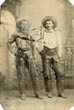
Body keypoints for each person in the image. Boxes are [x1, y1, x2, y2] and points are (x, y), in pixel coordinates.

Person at [7, 19, 42, 100]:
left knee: (34, 74)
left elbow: (33, 46)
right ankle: (22, 93)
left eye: (26, 24)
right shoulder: (16, 34)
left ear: (28, 26)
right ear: (20, 26)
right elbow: (8, 42)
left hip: (30, 55)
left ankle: (37, 93)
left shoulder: (30, 35)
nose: (24, 26)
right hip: (20, 56)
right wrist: (13, 51)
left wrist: (34, 56)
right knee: (21, 75)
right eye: (22, 24)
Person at [36, 16, 66, 98]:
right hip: (46, 54)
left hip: (55, 54)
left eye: (50, 23)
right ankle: (49, 92)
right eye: (47, 23)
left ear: (53, 24)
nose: (48, 24)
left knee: (59, 73)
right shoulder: (42, 32)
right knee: (47, 74)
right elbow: (35, 41)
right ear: (45, 25)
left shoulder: (57, 32)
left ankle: (61, 92)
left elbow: (59, 44)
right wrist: (40, 50)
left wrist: (59, 55)